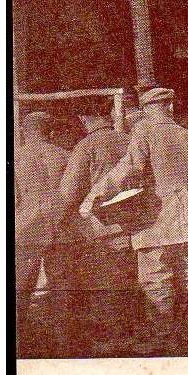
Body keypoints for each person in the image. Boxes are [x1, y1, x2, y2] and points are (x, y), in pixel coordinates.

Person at [81, 88, 188, 354]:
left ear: (146, 110)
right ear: (170, 107)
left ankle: (166, 337)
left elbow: (129, 168)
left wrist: (95, 195)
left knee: (156, 278)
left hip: (155, 222)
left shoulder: (145, 133)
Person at [57, 95, 143, 354]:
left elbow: (69, 193)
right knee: (134, 278)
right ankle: (137, 331)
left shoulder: (86, 146)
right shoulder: (128, 140)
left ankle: (115, 341)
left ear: (84, 119)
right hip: (137, 222)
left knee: (106, 281)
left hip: (103, 225)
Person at [15, 111, 72, 352]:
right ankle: (63, 341)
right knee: (61, 285)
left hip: (27, 227)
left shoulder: (14, 157)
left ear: (24, 132)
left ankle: (17, 340)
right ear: (50, 132)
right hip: (60, 227)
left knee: (20, 286)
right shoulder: (64, 155)